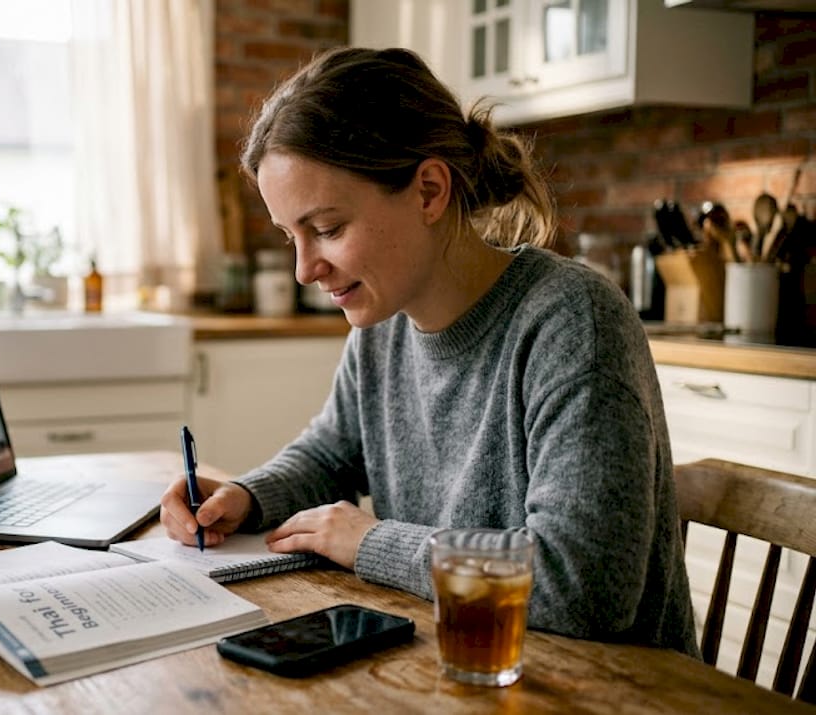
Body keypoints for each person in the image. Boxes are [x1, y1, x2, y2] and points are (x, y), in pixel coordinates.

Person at [160, 47, 698, 657]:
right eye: (292, 236)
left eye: (329, 229)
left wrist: (370, 543)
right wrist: (248, 496)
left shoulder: (573, 320)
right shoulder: (382, 321)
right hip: (453, 666)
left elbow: (583, 585)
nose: (305, 269)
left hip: (610, 690)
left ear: (429, 191)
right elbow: (332, 455)